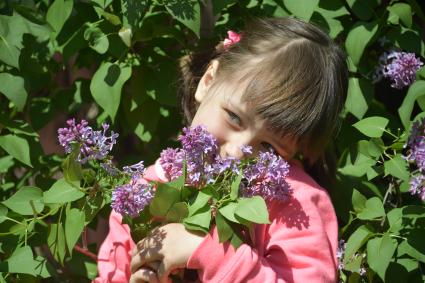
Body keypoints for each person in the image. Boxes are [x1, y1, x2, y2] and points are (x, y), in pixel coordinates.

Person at [94, 17, 348, 283]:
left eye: (269, 147)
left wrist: (206, 251)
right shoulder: (149, 187)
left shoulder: (294, 205)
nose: (239, 151)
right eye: (235, 118)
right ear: (208, 81)